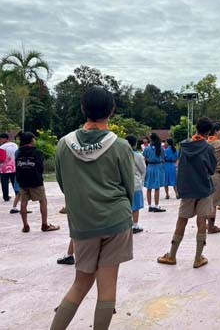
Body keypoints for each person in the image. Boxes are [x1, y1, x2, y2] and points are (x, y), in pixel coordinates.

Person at [50, 87, 134, 330]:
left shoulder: (64, 145)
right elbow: (129, 186)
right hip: (116, 221)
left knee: (80, 283)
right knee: (107, 287)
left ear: (83, 109)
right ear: (112, 111)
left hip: (83, 223)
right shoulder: (120, 146)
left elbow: (63, 184)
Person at [157, 117, 217, 268]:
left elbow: (181, 166)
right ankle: (198, 258)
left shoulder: (184, 146)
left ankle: (172, 255)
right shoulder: (208, 148)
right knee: (201, 221)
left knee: (182, 220)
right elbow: (211, 169)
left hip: (187, 189)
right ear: (209, 132)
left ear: (196, 128)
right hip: (204, 188)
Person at [15, 132, 59, 233]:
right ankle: (44, 224)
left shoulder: (19, 152)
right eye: (34, 139)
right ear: (31, 140)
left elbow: (16, 167)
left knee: (23, 203)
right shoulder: (36, 152)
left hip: (22, 181)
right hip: (35, 181)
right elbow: (40, 167)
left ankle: (25, 226)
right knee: (42, 201)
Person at [126, 135, 146, 234]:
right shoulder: (137, 155)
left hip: (123, 184)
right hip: (135, 183)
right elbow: (143, 169)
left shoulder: (121, 154)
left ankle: (126, 226)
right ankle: (135, 225)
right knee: (136, 206)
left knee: (126, 206)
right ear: (135, 144)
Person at [143, 133, 165, 212]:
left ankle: (150, 206)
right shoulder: (160, 148)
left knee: (149, 187)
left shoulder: (147, 148)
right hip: (157, 167)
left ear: (151, 139)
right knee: (157, 188)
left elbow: (144, 158)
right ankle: (156, 205)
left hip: (149, 167)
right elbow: (163, 158)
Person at [1, 132, 19, 209]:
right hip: (14, 167)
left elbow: (1, 159)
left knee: (4, 183)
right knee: (15, 182)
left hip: (4, 168)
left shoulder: (2, 147)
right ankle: (18, 195)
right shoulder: (15, 145)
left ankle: (6, 197)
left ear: (4, 139)